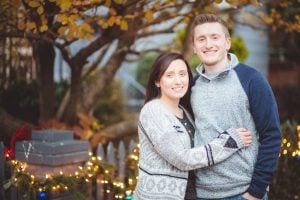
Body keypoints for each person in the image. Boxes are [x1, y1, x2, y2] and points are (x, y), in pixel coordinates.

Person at [133, 52, 253, 200]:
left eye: (182, 74)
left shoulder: (185, 112)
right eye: (169, 75)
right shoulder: (153, 111)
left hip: (191, 194)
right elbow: (181, 159)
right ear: (157, 81)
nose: (178, 81)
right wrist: (229, 142)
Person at [190, 13, 282, 200]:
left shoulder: (251, 80)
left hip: (242, 193)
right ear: (194, 47)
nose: (208, 44)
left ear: (227, 42)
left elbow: (271, 135)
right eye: (201, 39)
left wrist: (255, 192)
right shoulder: (191, 86)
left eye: (215, 37)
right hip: (200, 194)